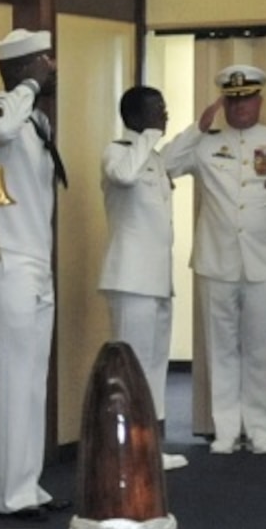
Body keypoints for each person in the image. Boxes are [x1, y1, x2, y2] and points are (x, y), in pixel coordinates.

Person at [164, 65, 266, 455]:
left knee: (260, 347)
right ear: (223, 101)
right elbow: (163, 166)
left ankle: (260, 430)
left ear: (260, 100)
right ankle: (225, 429)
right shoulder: (205, 143)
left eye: (247, 98)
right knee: (221, 347)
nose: (240, 106)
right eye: (232, 99)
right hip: (216, 260)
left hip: (265, 262)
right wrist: (196, 128)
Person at [0, 28, 66, 517]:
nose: (52, 67)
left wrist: (31, 96)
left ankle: (27, 484)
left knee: (32, 376)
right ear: (24, 66)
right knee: (11, 374)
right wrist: (25, 87)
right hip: (2, 257)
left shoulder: (34, 120)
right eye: (43, 61)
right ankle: (7, 496)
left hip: (34, 258)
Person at [98, 85, 185, 471]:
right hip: (130, 278)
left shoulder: (152, 157)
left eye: (164, 108)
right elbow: (124, 176)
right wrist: (146, 135)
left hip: (156, 279)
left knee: (154, 366)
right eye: (157, 109)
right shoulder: (119, 152)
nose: (164, 115)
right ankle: (124, 449)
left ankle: (148, 448)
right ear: (135, 115)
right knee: (129, 367)